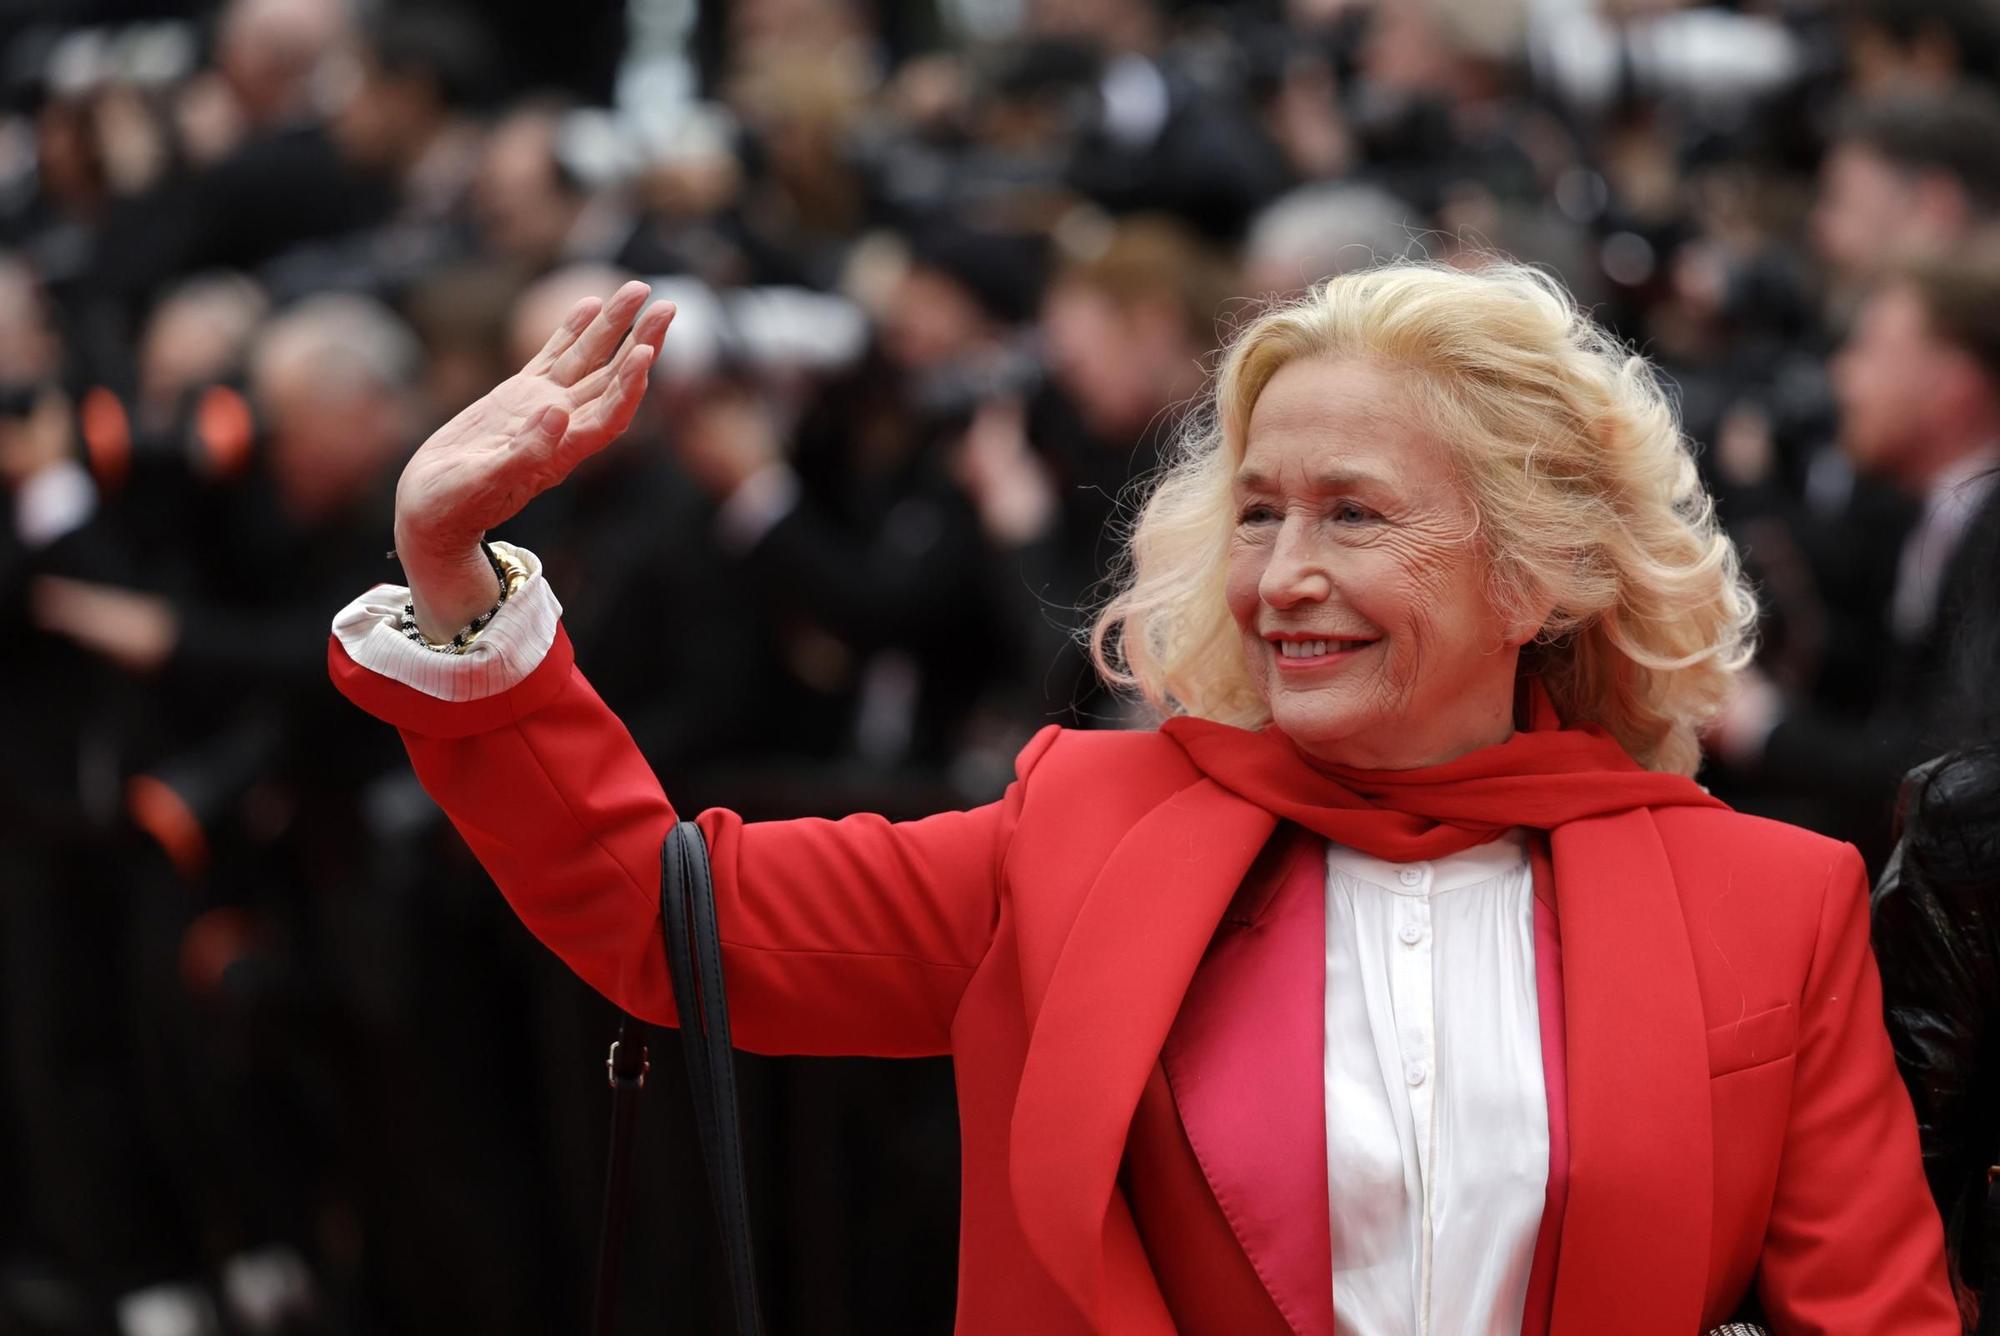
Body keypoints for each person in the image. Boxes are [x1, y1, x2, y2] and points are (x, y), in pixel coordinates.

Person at [327, 264, 1955, 1332]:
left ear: (1540, 576)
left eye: (1355, 515)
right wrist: (451, 576)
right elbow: (654, 914)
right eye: (1257, 514)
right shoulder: (1078, 833)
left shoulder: (1773, 903)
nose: (1286, 577)